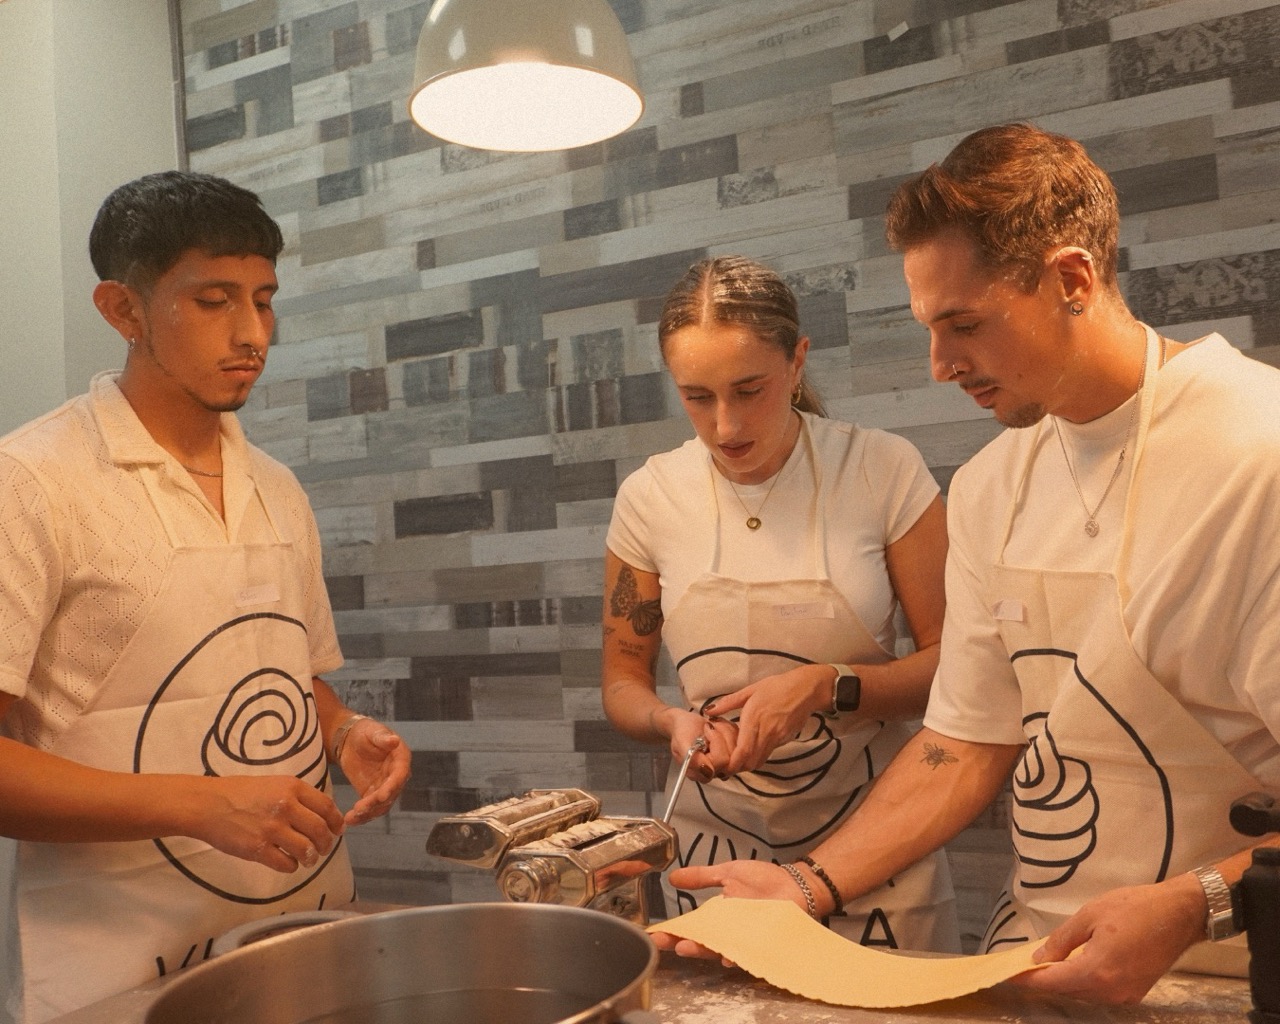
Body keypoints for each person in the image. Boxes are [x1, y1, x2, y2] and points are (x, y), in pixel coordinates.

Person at [656, 123, 1280, 1004]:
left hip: (1226, 971)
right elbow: (964, 741)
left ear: (1071, 279)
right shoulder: (995, 484)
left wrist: (1194, 903)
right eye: (928, 328)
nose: (941, 365)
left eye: (964, 325)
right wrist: (805, 886)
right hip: (1036, 959)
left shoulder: (1258, 453)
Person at [0, 171, 411, 1024]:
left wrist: (342, 733)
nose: (253, 333)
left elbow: (289, 674)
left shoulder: (277, 488)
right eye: (215, 300)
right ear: (124, 310)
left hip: (299, 935)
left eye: (264, 300)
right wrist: (205, 803)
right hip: (116, 974)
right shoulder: (32, 484)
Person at [602, 255, 959, 951]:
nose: (725, 425)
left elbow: (958, 670)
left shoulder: (882, 470)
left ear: (797, 362)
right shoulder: (651, 497)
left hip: (878, 852)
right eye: (697, 396)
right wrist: (669, 720)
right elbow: (622, 680)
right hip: (718, 860)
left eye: (749, 389)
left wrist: (828, 686)